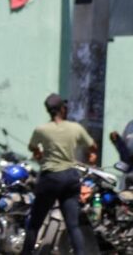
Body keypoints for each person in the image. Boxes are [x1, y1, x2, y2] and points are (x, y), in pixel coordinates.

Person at [21, 94, 99, 255]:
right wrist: (92, 155)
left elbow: (32, 147)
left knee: (35, 223)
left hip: (50, 178)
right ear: (63, 109)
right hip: (70, 177)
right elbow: (93, 146)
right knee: (73, 225)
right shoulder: (75, 128)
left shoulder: (41, 130)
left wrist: (39, 153)